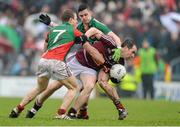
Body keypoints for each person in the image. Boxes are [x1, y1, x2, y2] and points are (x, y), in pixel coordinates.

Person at [9, 9, 104, 119]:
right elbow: (90, 49)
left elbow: (45, 46)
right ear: (70, 20)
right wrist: (103, 62)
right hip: (57, 61)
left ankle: (18, 108)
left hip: (43, 60)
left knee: (40, 88)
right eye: (75, 19)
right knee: (74, 87)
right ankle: (60, 113)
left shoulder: (52, 30)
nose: (76, 22)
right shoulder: (74, 31)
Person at [26, 27, 137, 120]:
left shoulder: (120, 64)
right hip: (78, 61)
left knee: (90, 86)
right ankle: (36, 106)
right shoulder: (112, 44)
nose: (133, 56)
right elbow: (94, 30)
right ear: (126, 48)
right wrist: (85, 37)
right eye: (133, 52)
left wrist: (113, 78)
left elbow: (104, 76)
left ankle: (72, 113)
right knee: (56, 85)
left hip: (90, 69)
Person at [38, 4, 123, 119]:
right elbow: (66, 31)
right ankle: (81, 112)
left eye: (86, 15)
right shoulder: (80, 27)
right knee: (80, 86)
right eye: (81, 16)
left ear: (91, 13)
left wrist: (118, 48)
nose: (84, 17)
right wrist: (51, 24)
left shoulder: (97, 25)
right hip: (88, 60)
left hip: (103, 60)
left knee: (96, 84)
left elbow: (115, 37)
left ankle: (119, 109)